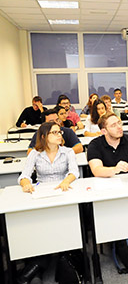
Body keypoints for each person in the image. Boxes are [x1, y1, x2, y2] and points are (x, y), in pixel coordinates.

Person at [18, 121, 80, 283]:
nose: (60, 135)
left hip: (63, 191)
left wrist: (66, 181)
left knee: (63, 225)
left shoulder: (67, 152)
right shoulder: (35, 154)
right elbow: (24, 175)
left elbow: (74, 172)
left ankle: (61, 262)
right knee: (39, 228)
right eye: (55, 133)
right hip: (42, 194)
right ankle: (38, 266)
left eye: (60, 132)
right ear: (44, 136)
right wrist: (26, 184)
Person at [87, 112, 128, 178]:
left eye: (119, 123)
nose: (119, 127)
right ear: (104, 131)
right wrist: (115, 169)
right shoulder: (94, 145)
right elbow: (96, 170)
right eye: (113, 125)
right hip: (105, 183)